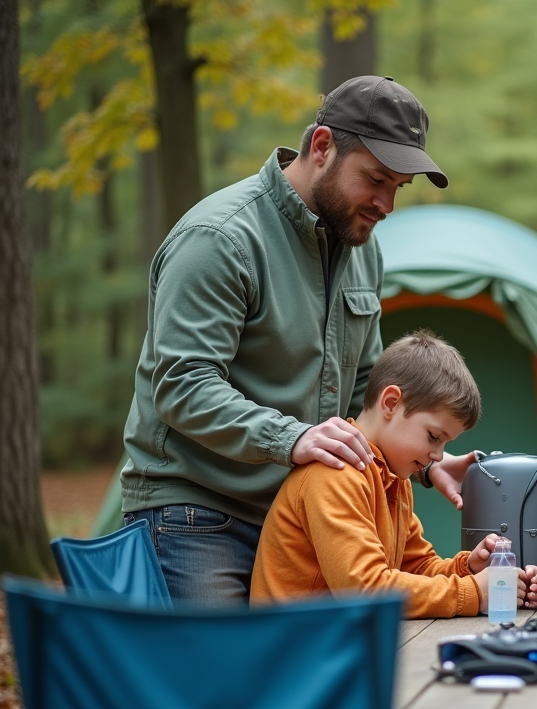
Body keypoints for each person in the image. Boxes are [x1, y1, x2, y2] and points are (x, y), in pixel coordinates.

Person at [120, 75, 473, 603]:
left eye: (398, 187)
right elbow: (182, 386)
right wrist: (291, 438)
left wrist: (425, 461)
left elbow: (366, 394)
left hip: (300, 513)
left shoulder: (362, 250)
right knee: (223, 662)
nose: (386, 204)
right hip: (197, 515)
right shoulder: (220, 239)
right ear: (322, 146)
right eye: (375, 179)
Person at [250, 331, 537, 613]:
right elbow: (365, 589)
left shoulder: (394, 478)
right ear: (391, 403)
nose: (438, 456)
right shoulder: (334, 473)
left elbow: (416, 568)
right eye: (434, 437)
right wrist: (473, 592)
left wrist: (468, 568)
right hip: (294, 645)